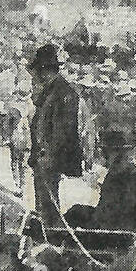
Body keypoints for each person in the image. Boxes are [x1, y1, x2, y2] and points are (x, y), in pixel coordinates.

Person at [27, 44, 81, 225]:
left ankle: (51, 236)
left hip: (52, 159)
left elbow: (63, 129)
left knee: (50, 205)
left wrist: (49, 154)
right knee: (44, 203)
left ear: (44, 70)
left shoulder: (64, 93)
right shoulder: (50, 91)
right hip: (44, 158)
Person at [86, 127, 136, 238]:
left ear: (118, 153)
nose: (106, 157)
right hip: (113, 226)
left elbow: (126, 208)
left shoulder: (130, 175)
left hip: (125, 232)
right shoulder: (113, 174)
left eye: (108, 152)